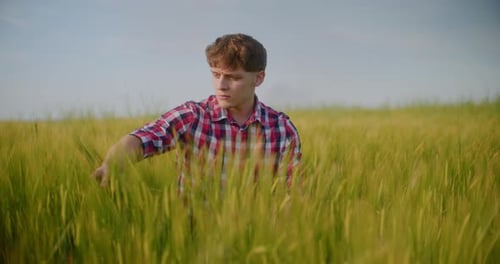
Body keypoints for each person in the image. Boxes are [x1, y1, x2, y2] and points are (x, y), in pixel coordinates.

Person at [91, 33, 302, 191]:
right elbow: (144, 138)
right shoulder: (193, 117)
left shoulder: (282, 129)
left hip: (256, 242)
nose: (221, 85)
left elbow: (291, 196)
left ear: (258, 79)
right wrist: (112, 164)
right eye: (216, 74)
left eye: (233, 78)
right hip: (193, 239)